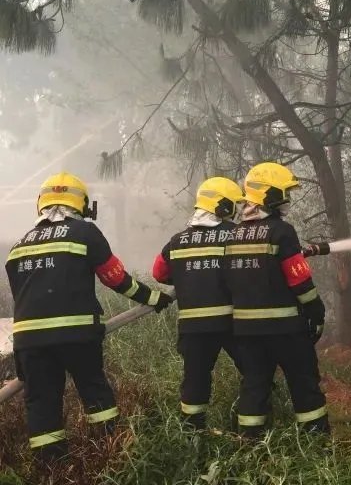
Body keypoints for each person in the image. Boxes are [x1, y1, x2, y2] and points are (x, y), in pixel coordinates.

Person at [4, 172, 173, 462]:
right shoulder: (85, 233)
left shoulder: (19, 247)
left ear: (41, 204)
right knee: (95, 393)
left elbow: (23, 296)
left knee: (42, 404)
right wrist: (155, 298)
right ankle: (109, 453)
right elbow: (117, 279)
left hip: (29, 341)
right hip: (76, 335)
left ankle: (53, 473)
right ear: (80, 203)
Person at [225, 162, 329, 437]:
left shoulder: (233, 235)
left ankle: (249, 444)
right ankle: (315, 441)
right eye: (283, 194)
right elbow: (299, 280)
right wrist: (316, 312)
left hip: (246, 333)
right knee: (304, 382)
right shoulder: (282, 232)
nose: (287, 201)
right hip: (286, 331)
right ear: (268, 197)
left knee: (254, 386)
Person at [152, 177, 244, 430]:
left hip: (193, 328)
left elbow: (159, 273)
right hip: (232, 323)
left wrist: (184, 277)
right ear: (224, 207)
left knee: (195, 380)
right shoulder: (236, 235)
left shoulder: (176, 240)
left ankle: (192, 432)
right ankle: (249, 426)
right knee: (255, 371)